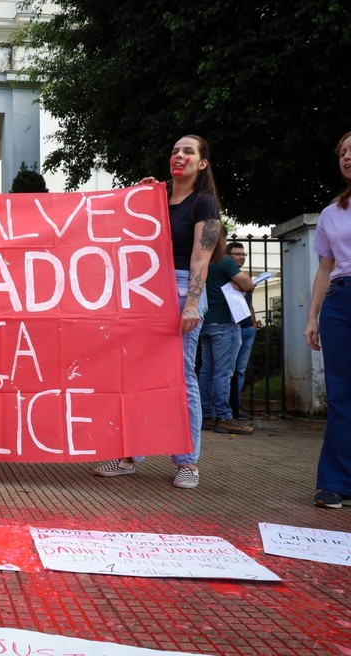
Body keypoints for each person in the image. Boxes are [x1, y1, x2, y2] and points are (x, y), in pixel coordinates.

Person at [93, 135, 224, 489]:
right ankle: (128, 455)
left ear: (202, 163)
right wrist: (138, 198)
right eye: (174, 151)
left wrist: (193, 303)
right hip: (145, 291)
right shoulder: (155, 200)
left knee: (182, 376)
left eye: (188, 152)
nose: (179, 156)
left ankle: (187, 461)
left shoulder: (205, 203)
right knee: (135, 375)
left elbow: (201, 257)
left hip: (181, 289)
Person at [304, 131, 351, 510]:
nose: (348, 157)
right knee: (341, 395)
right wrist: (313, 317)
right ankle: (334, 483)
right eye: (344, 152)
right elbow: (325, 267)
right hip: (340, 302)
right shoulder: (331, 212)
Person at [198, 233, 255, 435]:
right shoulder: (223, 260)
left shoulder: (200, 259)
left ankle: (207, 415)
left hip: (205, 321)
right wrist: (241, 284)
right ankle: (224, 417)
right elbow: (248, 284)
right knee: (223, 372)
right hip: (225, 323)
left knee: (207, 370)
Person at [227, 241, 257, 419]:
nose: (241, 257)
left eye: (243, 254)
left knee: (240, 370)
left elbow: (249, 304)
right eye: (237, 254)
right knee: (228, 370)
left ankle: (236, 407)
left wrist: (253, 323)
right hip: (233, 328)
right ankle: (228, 408)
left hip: (247, 329)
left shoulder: (244, 278)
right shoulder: (226, 276)